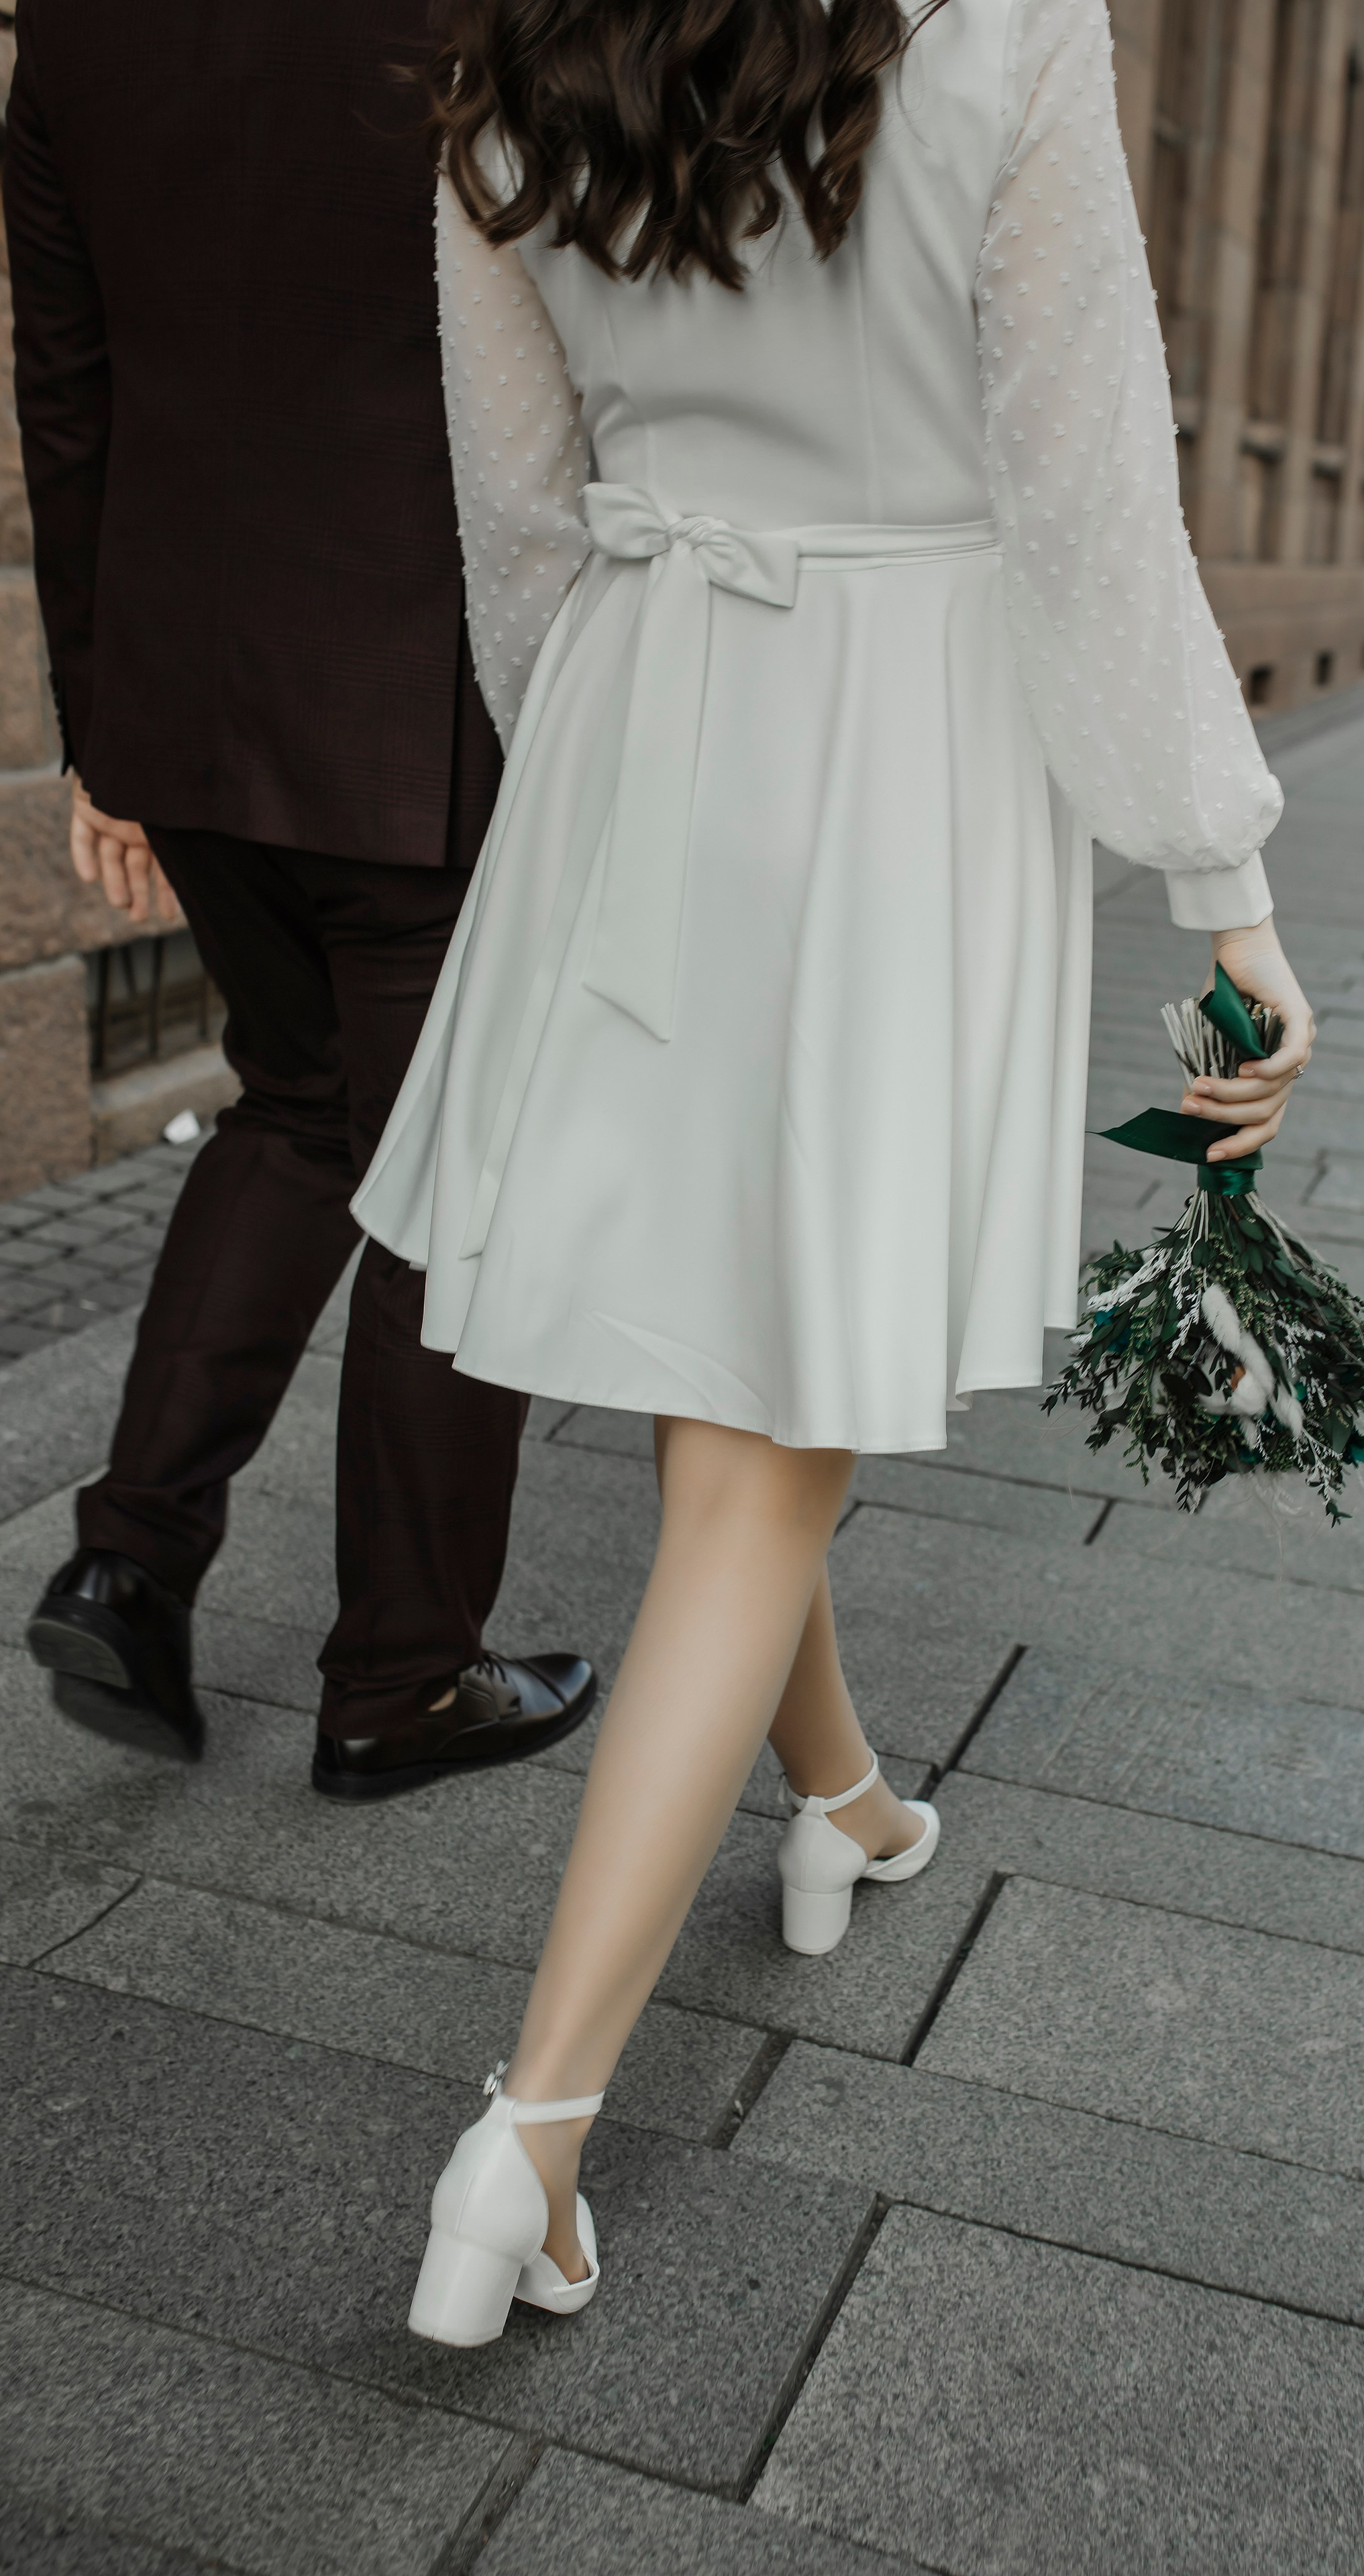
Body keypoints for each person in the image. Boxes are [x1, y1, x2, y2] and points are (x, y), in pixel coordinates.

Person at [354, 0, 1316, 2343]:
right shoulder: (1008, 30)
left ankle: (848, 1801)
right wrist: (1227, 890)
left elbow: (516, 506)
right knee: (763, 1452)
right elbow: (1088, 489)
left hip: (638, 700)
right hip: (902, 742)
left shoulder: (508, 48)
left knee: (741, 1381)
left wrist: (589, 766)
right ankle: (536, 2139)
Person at [4, 0, 596, 1794]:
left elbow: (68, 384)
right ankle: (403, 1677)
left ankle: (131, 1552)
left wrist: (105, 732)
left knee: (303, 1108)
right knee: (455, 1170)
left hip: (198, 691)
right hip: (430, 687)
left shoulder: (82, 33)